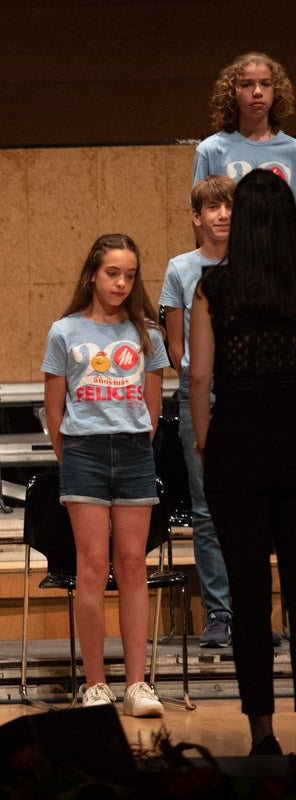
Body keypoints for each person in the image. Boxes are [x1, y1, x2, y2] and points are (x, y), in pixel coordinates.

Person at [190, 168, 296, 756]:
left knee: (250, 600)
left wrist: (208, 446)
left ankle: (262, 733)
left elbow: (199, 379)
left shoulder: (214, 287)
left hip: (237, 449)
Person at [41, 234, 167, 717]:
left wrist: (135, 441)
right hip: (84, 454)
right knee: (92, 567)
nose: (120, 282)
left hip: (134, 451)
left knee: (133, 565)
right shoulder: (64, 331)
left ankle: (138, 683)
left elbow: (153, 409)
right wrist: (72, 452)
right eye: (112, 272)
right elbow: (55, 410)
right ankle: (95, 684)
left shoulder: (147, 335)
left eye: (130, 275)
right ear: (94, 273)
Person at [158, 176, 234, 648]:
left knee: (248, 508)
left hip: (248, 388)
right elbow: (175, 344)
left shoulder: (253, 264)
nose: (222, 214)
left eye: (229, 207)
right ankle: (221, 613)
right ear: (196, 217)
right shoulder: (181, 268)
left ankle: (250, 612)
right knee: (207, 509)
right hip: (198, 392)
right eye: (213, 207)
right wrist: (197, 373)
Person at [193, 52, 295, 194]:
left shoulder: (293, 150)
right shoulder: (211, 150)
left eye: (266, 84)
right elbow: (200, 210)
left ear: (276, 91)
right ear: (232, 92)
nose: (257, 92)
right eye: (247, 85)